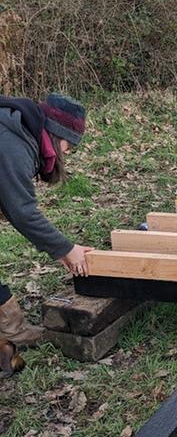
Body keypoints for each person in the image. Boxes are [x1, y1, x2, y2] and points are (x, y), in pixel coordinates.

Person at [0, 94, 93, 348]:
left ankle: (12, 328)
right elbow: (23, 212)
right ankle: (13, 331)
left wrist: (58, 250)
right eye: (69, 143)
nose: (69, 151)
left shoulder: (18, 133)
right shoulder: (13, 143)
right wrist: (66, 248)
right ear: (56, 133)